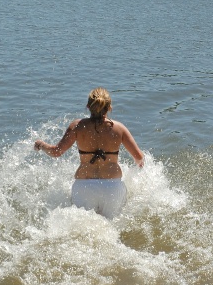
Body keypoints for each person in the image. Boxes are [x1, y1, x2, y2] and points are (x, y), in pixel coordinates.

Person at [34, 87, 145, 219]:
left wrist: (41, 144)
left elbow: (56, 152)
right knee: (112, 230)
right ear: (109, 107)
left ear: (88, 106)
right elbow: (138, 157)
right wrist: (139, 164)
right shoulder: (119, 128)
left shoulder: (77, 126)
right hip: (112, 187)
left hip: (84, 187)